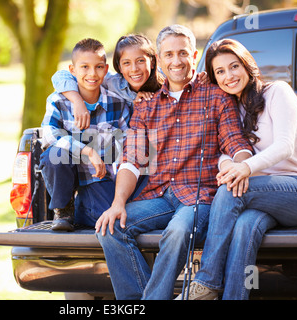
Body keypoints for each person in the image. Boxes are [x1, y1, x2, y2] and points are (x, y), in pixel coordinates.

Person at [94, 25, 253, 300]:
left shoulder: (216, 97)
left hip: (199, 198)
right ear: (160, 60)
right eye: (169, 54)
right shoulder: (146, 105)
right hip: (159, 196)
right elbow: (132, 159)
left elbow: (236, 143)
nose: (176, 61)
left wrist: (243, 165)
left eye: (182, 53)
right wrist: (118, 204)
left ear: (194, 55)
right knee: (109, 229)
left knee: (177, 232)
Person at [182, 39, 297, 300]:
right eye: (220, 72)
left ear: (247, 65)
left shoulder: (277, 92)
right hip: (260, 197)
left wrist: (244, 168)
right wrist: (229, 167)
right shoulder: (231, 109)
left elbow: (284, 146)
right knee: (245, 226)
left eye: (234, 66)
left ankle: (208, 280)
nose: (229, 76)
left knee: (228, 192)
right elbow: (224, 152)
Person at [39, 38, 130, 231]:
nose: (92, 73)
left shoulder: (116, 103)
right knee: (54, 155)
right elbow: (49, 134)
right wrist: (88, 151)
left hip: (98, 177)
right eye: (84, 67)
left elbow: (126, 143)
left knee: (111, 218)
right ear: (72, 70)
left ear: (106, 70)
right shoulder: (58, 100)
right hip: (69, 172)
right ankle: (64, 208)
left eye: (98, 67)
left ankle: (82, 208)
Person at [52, 34, 165, 131]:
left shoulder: (165, 84)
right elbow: (60, 76)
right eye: (126, 63)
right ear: (119, 67)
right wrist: (77, 101)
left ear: (152, 62)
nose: (134, 69)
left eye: (140, 61)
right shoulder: (112, 82)